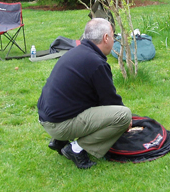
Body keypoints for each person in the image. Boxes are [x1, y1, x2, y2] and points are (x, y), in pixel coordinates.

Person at [37, 18, 132, 169]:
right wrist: (127, 122)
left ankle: (59, 141)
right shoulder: (96, 63)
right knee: (124, 115)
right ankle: (76, 149)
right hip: (58, 125)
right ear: (105, 38)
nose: (114, 40)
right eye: (113, 36)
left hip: (47, 117)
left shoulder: (77, 52)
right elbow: (110, 100)